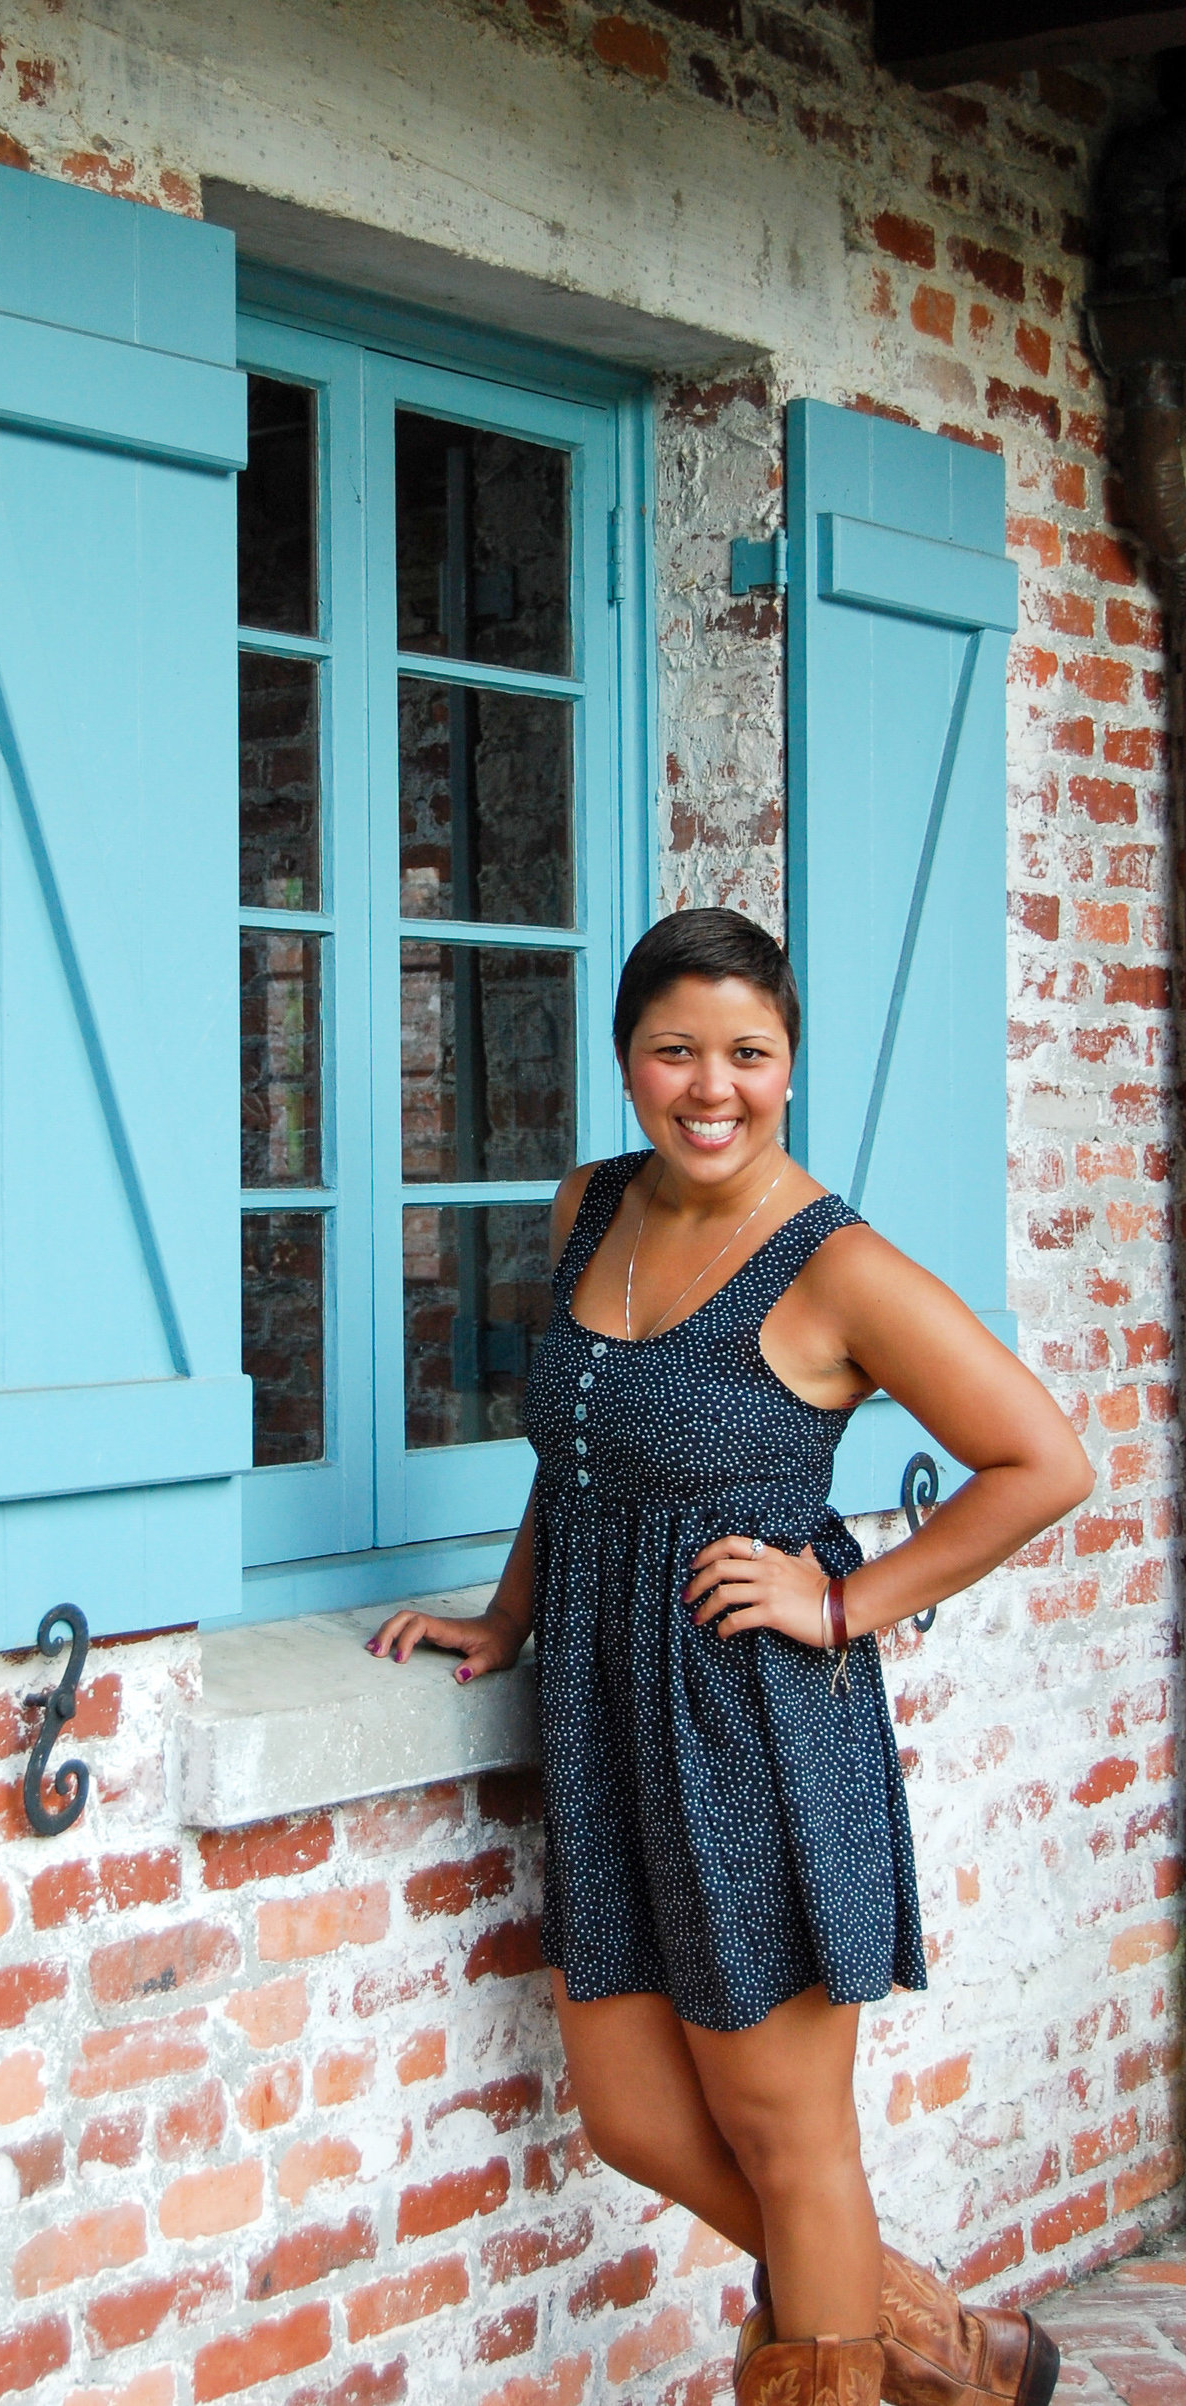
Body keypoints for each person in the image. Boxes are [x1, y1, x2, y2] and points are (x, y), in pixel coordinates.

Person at [369, 908, 1090, 2406]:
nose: (714, 1086)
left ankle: (895, 2363)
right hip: (603, 1708)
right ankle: (952, 2353)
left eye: (749, 1054)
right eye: (676, 1050)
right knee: (632, 2111)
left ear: (789, 1065)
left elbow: (1044, 1459)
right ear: (628, 1057)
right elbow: (580, 1459)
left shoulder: (835, 1264)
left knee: (793, 2140)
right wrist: (505, 1617)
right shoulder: (590, 1205)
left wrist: (846, 1601)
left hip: (754, 1723)